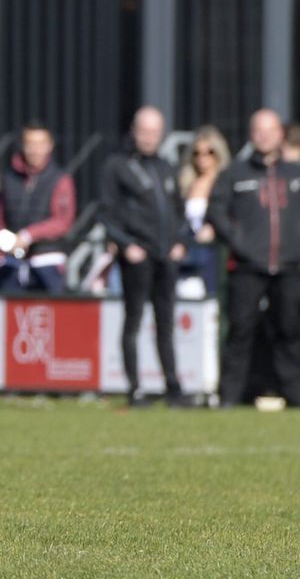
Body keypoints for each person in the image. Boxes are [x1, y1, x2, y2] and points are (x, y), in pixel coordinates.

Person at [207, 109, 300, 408]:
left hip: (289, 266)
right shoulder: (234, 174)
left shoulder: (296, 174)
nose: (264, 136)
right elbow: (217, 212)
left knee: (291, 331)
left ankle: (296, 395)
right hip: (247, 266)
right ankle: (230, 396)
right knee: (240, 330)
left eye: (270, 130)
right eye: (258, 130)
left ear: (280, 134)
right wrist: (240, 242)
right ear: (251, 134)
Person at [98, 107, 189, 407]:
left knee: (166, 323)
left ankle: (172, 387)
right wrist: (126, 245)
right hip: (138, 256)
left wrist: (179, 241)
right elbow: (107, 213)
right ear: (133, 131)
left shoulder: (165, 166)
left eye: (155, 132)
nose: (149, 138)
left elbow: (178, 210)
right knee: (133, 320)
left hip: (165, 257)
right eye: (144, 131)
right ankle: (135, 388)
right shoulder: (117, 166)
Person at [0, 121, 77, 292]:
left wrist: (28, 235)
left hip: (48, 261)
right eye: (30, 144)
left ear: (49, 146)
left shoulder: (60, 179)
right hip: (12, 263)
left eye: (40, 144)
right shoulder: (8, 178)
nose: (35, 150)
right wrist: (1, 250)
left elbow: (63, 221)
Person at [176, 125, 231, 296]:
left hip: (214, 251)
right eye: (197, 153)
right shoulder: (186, 183)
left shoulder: (225, 183)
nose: (202, 158)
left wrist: (215, 228)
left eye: (209, 152)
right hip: (189, 250)